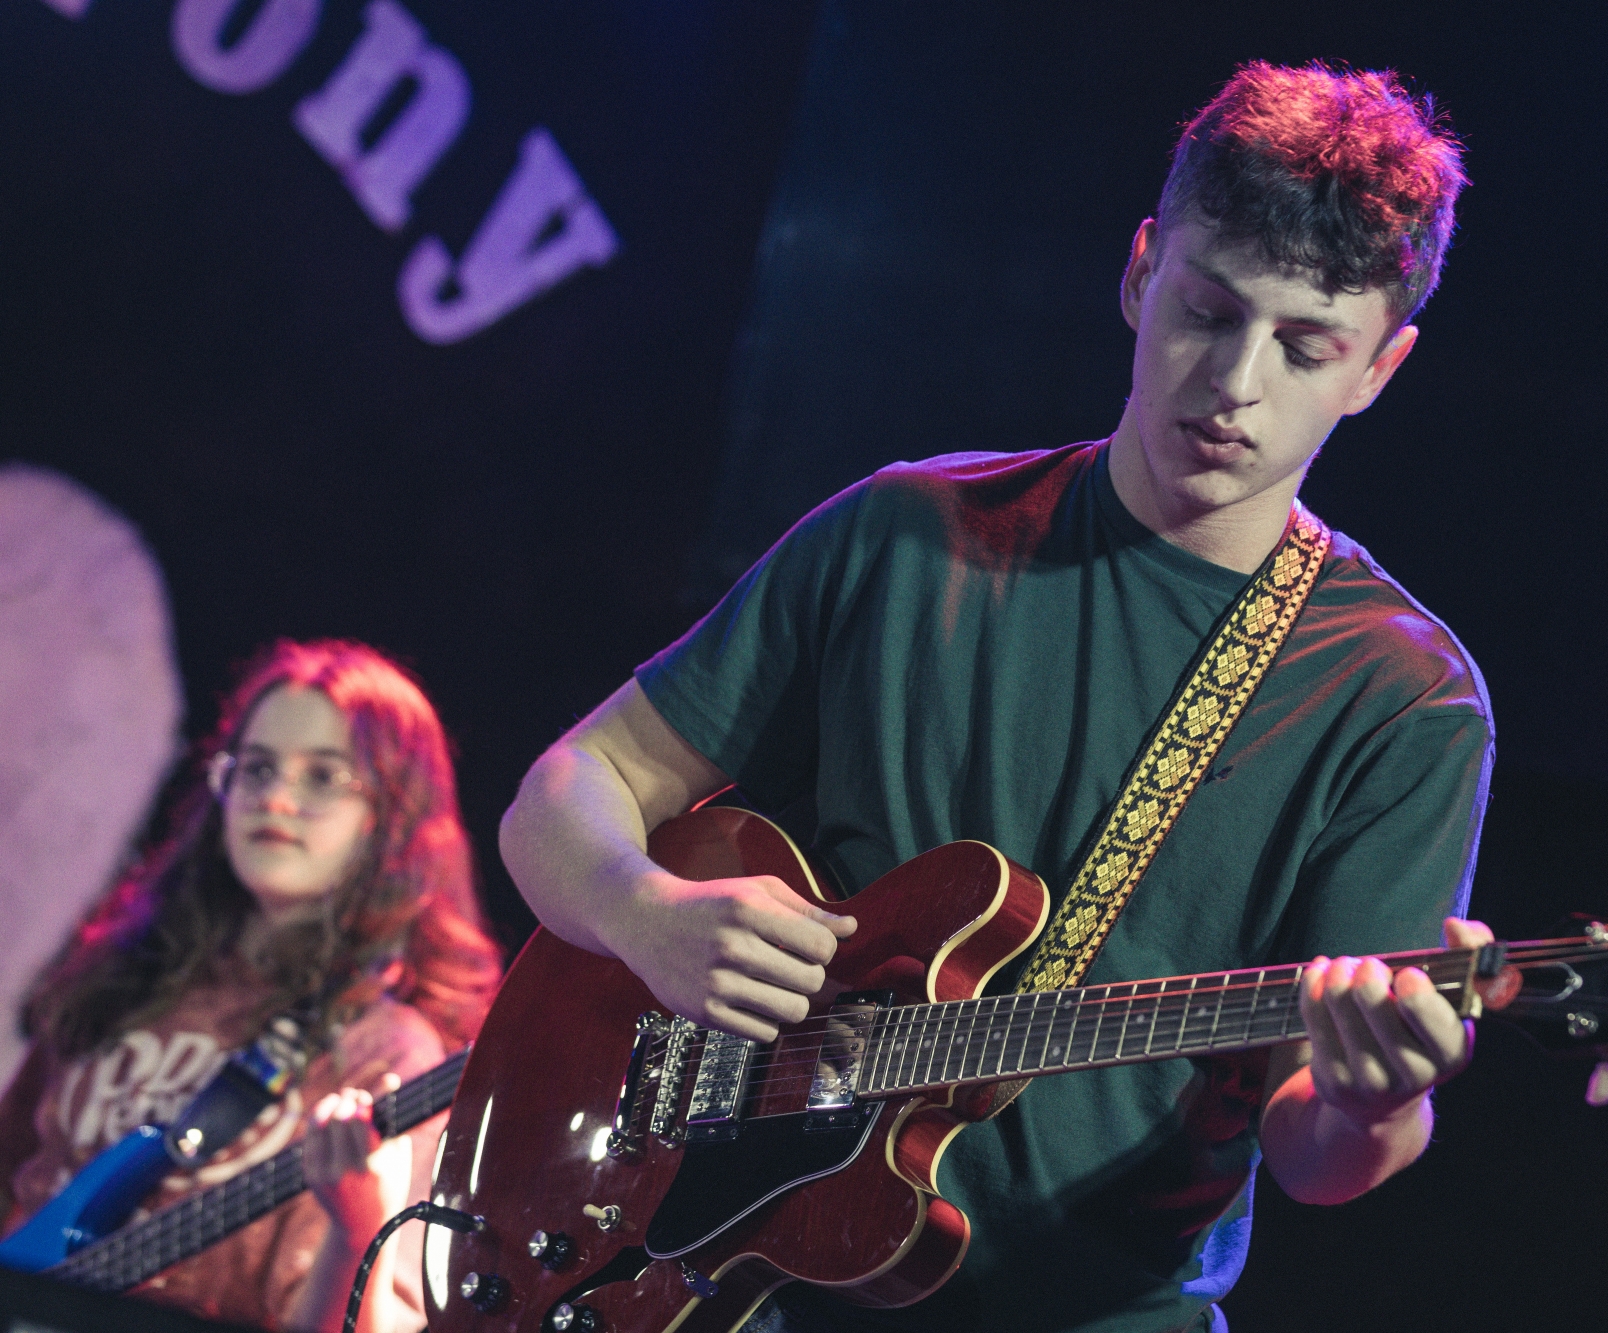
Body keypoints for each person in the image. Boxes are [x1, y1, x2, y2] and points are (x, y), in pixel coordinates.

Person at [500, 60, 1493, 1333]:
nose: (1234, 382)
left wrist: (1374, 1101)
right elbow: (562, 796)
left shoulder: (1398, 696)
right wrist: (645, 913)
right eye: (1205, 309)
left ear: (1378, 370)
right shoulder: (903, 531)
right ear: (1140, 272)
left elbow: (1315, 1156)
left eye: (1306, 348)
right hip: (737, 1287)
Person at [0, 640, 505, 1333]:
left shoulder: (390, 1053)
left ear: (392, 813)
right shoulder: (117, 980)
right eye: (258, 767)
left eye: (323, 776)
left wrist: (356, 1230)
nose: (276, 796)